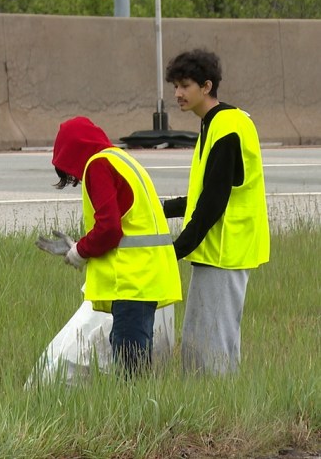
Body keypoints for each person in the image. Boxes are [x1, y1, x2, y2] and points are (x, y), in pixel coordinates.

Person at [36, 117, 182, 376]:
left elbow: (110, 229)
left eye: (70, 173)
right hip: (148, 275)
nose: (76, 178)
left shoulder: (98, 165)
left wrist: (79, 252)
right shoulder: (121, 159)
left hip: (131, 281)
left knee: (129, 368)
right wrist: (81, 244)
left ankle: (134, 404)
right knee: (135, 361)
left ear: (73, 154)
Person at [163, 49, 270, 375]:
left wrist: (175, 250)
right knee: (205, 346)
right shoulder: (214, 124)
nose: (178, 94)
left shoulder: (227, 127)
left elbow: (213, 203)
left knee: (209, 352)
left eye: (185, 86)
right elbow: (204, 194)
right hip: (218, 250)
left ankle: (216, 404)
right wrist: (159, 208)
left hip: (228, 250)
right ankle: (217, 400)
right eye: (175, 86)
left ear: (206, 86)